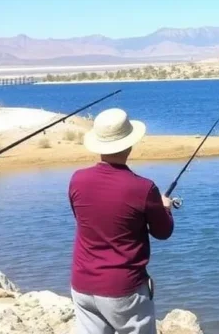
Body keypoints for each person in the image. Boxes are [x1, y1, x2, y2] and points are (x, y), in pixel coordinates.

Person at [68, 107, 175, 334]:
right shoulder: (144, 188)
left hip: (82, 285)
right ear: (129, 144)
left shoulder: (77, 179)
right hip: (124, 290)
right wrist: (165, 207)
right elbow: (163, 232)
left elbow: (85, 218)